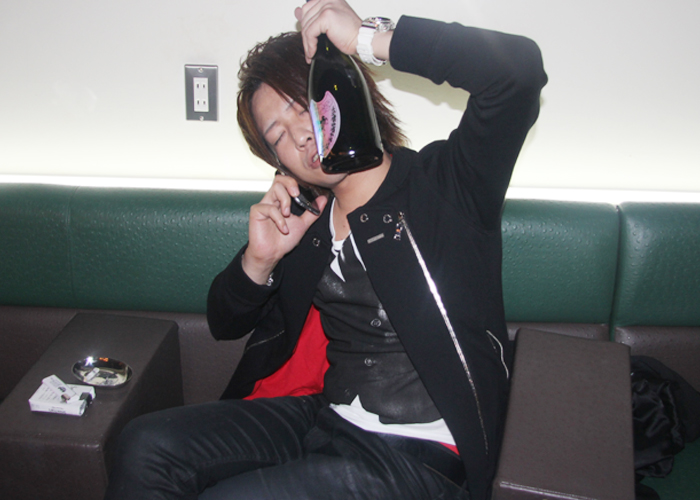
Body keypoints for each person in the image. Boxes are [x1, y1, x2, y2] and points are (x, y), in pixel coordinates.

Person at [104, 1, 547, 499]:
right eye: (278, 136)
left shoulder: (445, 186)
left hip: (424, 453)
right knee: (145, 444)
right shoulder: (309, 223)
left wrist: (368, 39)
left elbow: (517, 73)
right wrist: (260, 260)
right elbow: (224, 322)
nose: (299, 136)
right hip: (327, 419)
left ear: (346, 90)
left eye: (302, 106)